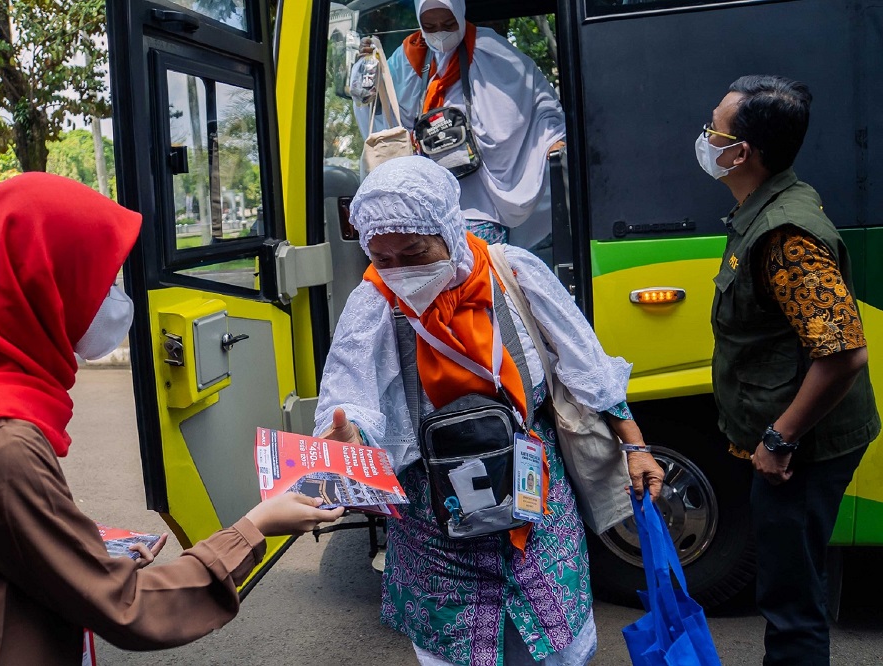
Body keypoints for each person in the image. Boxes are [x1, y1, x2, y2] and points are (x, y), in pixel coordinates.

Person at [0, 173, 344, 664]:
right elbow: (125, 606)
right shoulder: (1, 441)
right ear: (41, 286)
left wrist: (75, 545)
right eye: (100, 282)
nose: (115, 300)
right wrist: (255, 527)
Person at [315, 156, 665, 666]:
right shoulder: (373, 300)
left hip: (534, 491)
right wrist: (348, 439)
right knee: (455, 649)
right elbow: (351, 389)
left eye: (414, 252)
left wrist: (634, 446)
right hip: (433, 515)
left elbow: (585, 365)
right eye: (381, 257)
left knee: (558, 641)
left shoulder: (513, 273)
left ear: (447, 232)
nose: (399, 271)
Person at [700, 75, 879, 665]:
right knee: (787, 587)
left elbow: (844, 352)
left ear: (740, 152)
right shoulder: (770, 205)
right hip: (796, 441)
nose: (704, 137)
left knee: (791, 604)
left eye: (713, 128)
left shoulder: (785, 235)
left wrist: (780, 438)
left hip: (804, 451)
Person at [351, 0, 565, 245]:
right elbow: (380, 111)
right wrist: (367, 70)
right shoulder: (409, 55)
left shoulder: (489, 50)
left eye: (449, 23)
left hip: (482, 199)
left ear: (461, 14)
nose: (440, 33)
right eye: (430, 26)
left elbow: (537, 97)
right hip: (428, 203)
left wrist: (552, 137)